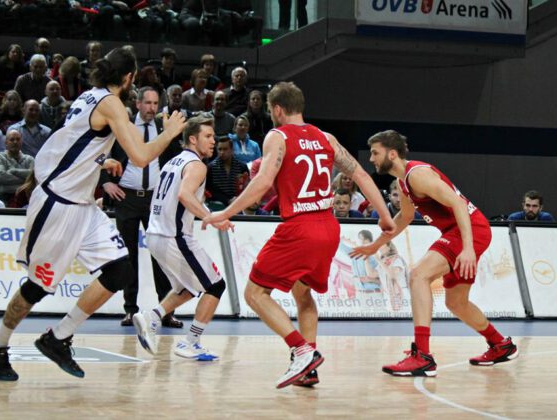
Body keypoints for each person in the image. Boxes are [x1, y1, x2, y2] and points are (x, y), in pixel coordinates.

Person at [0, 46, 186, 382]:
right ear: (128, 77)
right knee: (38, 286)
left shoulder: (91, 96)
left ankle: (58, 337)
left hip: (83, 206)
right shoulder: (110, 103)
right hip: (58, 204)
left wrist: (100, 160)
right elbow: (142, 156)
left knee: (120, 272)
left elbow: (71, 140)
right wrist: (170, 132)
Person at [202, 82, 395, 388]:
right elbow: (358, 174)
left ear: (277, 109)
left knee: (254, 294)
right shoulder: (326, 138)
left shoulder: (276, 136)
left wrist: (225, 212)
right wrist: (384, 215)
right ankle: (308, 368)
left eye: (270, 110)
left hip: (300, 227)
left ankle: (301, 349)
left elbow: (264, 181)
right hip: (329, 227)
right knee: (302, 294)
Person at [352, 129, 518, 377]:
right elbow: (405, 217)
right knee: (456, 302)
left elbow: (458, 204)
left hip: (467, 230)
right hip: (462, 232)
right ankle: (500, 344)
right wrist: (376, 245)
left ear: (393, 153)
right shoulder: (403, 182)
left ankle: (423, 356)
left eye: (375, 152)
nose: (372, 158)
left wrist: (468, 248)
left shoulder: (418, 175)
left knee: (418, 275)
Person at [134, 115, 232, 360]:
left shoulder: (173, 162)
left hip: (155, 234)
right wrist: (210, 217)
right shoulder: (197, 165)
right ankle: (191, 342)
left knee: (188, 287)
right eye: (207, 137)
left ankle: (152, 316)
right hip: (173, 235)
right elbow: (185, 195)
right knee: (215, 286)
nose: (213, 141)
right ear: (192, 138)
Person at [100, 86, 184, 328]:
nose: (151, 108)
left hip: (155, 198)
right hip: (126, 197)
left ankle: (165, 311)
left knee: (161, 254)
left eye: (155, 103)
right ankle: (130, 310)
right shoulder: (122, 125)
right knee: (129, 256)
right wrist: (105, 183)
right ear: (137, 104)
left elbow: (176, 159)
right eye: (147, 103)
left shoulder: (163, 128)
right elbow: (100, 153)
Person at [0, 129, 34, 205]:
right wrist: (25, 179)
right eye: (12, 139)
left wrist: (13, 171)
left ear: (21, 142)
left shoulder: (30, 159)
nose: (15, 142)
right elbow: (1, 177)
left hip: (26, 196)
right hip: (4, 196)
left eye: (18, 139)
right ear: (6, 143)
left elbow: (34, 177)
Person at [206, 136, 249, 205]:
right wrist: (227, 200)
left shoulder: (242, 167)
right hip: (218, 205)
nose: (222, 152)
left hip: (238, 204)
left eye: (225, 149)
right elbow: (210, 190)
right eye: (219, 149)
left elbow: (246, 187)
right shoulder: (211, 168)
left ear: (232, 150)